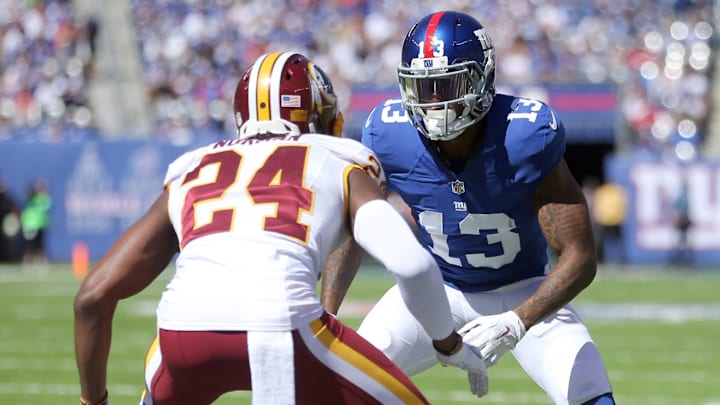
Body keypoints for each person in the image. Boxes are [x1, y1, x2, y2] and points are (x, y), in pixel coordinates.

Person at [74, 51, 487, 405]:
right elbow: (411, 264)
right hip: (282, 325)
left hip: (181, 336)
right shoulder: (339, 157)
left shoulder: (191, 168)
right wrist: (447, 343)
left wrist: (93, 400)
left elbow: (92, 298)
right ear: (314, 115)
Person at [321, 11, 615, 405]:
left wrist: (517, 322)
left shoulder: (524, 135)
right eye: (423, 88)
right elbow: (354, 225)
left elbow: (580, 255)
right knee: (340, 384)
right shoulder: (389, 135)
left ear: (483, 78)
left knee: (588, 389)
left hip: (523, 287)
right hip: (435, 289)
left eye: (448, 85)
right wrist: (327, 316)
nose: (434, 102)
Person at [21, 177, 52, 264]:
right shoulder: (31, 197)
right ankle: (28, 259)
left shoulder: (45, 198)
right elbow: (26, 196)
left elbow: (46, 206)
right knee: (30, 244)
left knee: (39, 244)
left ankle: (39, 259)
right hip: (30, 224)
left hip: (41, 224)